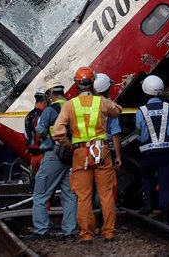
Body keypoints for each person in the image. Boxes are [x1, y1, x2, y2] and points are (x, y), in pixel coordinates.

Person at [53, 66, 121, 243]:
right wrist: (98, 95)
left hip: (81, 152)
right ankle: (108, 232)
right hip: (102, 151)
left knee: (83, 197)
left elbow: (57, 132)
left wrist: (70, 145)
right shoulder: (101, 102)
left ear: (76, 84)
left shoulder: (70, 105)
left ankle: (86, 234)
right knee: (105, 194)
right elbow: (117, 110)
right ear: (92, 83)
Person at [29, 80, 77, 240]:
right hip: (70, 154)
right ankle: (69, 231)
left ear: (49, 94)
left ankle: (41, 230)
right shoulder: (73, 106)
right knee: (69, 195)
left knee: (40, 194)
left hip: (53, 155)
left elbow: (40, 130)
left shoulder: (50, 110)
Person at [135, 75, 169, 224]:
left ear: (146, 91)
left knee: (147, 178)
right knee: (165, 182)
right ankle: (165, 214)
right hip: (166, 153)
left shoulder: (141, 112)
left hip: (148, 154)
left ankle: (148, 204)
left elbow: (138, 135)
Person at [94, 73, 123, 170]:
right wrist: (118, 156)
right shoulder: (110, 108)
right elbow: (115, 135)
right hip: (106, 150)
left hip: (90, 150)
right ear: (107, 90)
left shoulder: (87, 107)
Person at [24, 87, 48, 180]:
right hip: (43, 156)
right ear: (45, 101)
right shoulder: (43, 115)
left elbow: (26, 134)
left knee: (37, 184)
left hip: (33, 158)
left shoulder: (28, 116)